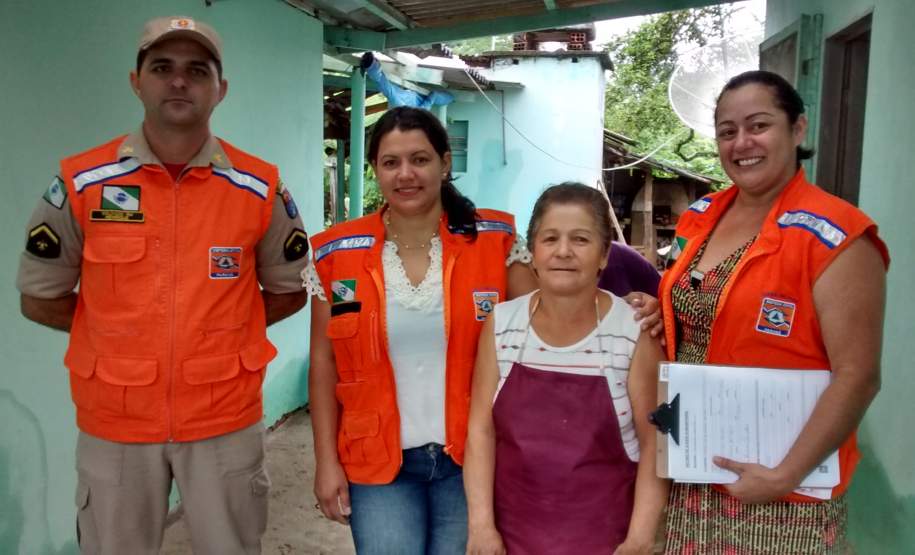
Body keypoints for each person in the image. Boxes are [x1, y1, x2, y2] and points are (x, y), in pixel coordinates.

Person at [16, 16, 309, 553]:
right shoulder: (82, 183)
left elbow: (291, 288)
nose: (179, 81)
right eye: (163, 68)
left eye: (197, 70)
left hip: (223, 417)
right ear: (137, 81)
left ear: (219, 90)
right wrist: (116, 333)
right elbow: (39, 297)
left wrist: (220, 332)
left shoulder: (258, 187)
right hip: (116, 420)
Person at [659, 70, 889, 553]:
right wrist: (654, 309)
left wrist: (785, 475)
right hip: (696, 470)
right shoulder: (702, 215)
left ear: (797, 129)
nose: (742, 142)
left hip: (786, 491)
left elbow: (859, 375)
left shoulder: (837, 236)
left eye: (758, 125)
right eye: (727, 131)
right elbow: (700, 316)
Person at [305, 106, 537, 554]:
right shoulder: (337, 254)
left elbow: (542, 334)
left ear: (445, 163)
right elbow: (324, 364)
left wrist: (625, 307)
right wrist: (326, 463)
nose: (405, 174)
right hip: (377, 465)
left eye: (420, 159)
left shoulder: (495, 241)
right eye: (391, 162)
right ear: (374, 169)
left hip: (473, 458)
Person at [464, 183, 668, 555]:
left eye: (581, 240)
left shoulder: (632, 330)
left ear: (605, 255)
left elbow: (655, 443)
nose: (563, 252)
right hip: (513, 537)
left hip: (606, 538)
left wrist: (638, 539)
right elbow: (480, 430)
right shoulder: (503, 324)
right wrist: (481, 526)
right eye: (550, 238)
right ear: (533, 252)